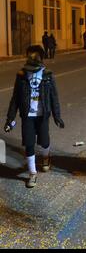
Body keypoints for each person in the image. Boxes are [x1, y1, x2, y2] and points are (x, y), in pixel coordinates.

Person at [4, 45, 64, 188]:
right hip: (28, 116)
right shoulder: (21, 75)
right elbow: (15, 99)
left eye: (35, 56)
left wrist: (57, 116)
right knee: (29, 143)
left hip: (42, 115)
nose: (32, 58)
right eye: (30, 56)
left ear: (41, 58)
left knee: (44, 141)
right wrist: (10, 119)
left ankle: (45, 157)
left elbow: (54, 97)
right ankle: (32, 173)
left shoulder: (47, 75)